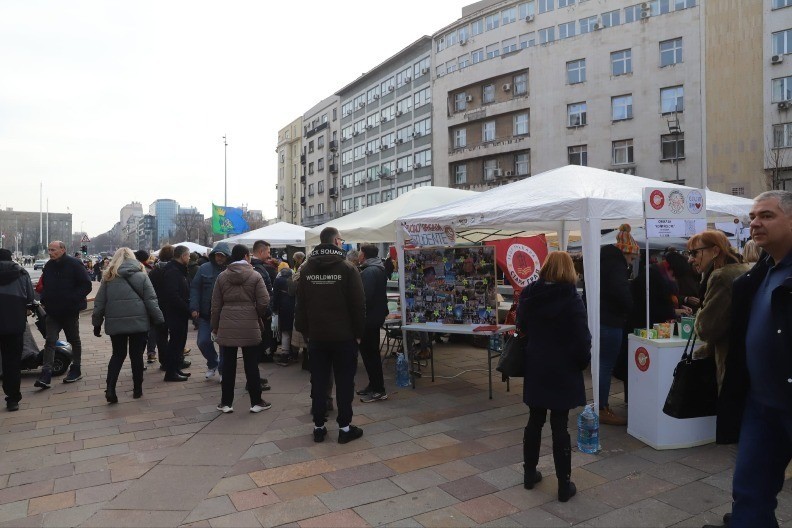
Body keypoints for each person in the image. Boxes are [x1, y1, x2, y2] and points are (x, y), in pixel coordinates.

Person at [713, 191, 792, 528]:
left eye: (767, 216)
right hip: (760, 407)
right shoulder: (756, 275)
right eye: (753, 216)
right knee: (748, 493)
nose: (755, 223)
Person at [517, 251, 591, 503]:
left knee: (534, 420)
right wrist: (581, 363)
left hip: (537, 363)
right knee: (560, 425)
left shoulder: (529, 294)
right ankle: (563, 484)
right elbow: (582, 338)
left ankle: (529, 474)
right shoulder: (571, 298)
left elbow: (522, 327)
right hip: (563, 367)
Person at [295, 226, 365, 444]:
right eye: (341, 240)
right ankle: (344, 428)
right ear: (335, 241)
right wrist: (358, 334)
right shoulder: (348, 269)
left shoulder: (306, 269)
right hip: (344, 337)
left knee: (319, 381)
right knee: (345, 382)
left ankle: (319, 426)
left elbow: (301, 305)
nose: (342, 243)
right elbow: (358, 305)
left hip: (317, 336)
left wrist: (305, 332)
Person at [92, 248, 163, 403]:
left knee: (118, 354)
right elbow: (151, 300)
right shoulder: (142, 275)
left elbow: (99, 303)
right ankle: (137, 389)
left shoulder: (108, 277)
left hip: (116, 323)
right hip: (139, 322)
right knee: (136, 356)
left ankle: (110, 388)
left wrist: (96, 324)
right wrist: (158, 320)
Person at [686, 230, 750, 391]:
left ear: (715, 251)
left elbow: (705, 329)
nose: (690, 259)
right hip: (747, 361)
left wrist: (700, 313)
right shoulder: (743, 269)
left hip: (732, 364)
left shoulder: (720, 277)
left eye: (694, 253)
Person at [211, 244, 271, 413]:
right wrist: (256, 314)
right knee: (251, 364)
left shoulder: (222, 277)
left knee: (228, 364)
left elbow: (215, 305)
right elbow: (264, 300)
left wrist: (215, 327)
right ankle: (256, 401)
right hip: (249, 323)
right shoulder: (255, 275)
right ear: (246, 256)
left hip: (227, 323)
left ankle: (226, 403)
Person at [36, 240, 92, 388]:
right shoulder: (48, 265)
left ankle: (76, 368)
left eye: (53, 249)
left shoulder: (74, 264)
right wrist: (44, 299)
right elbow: (45, 285)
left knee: (74, 339)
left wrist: (72, 299)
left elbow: (86, 285)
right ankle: (46, 373)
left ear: (63, 249)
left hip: (69, 310)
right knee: (50, 341)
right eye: (49, 250)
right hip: (53, 311)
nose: (50, 253)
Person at [598, 224, 637, 425]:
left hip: (600, 318)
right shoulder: (616, 264)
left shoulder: (602, 260)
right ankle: (602, 407)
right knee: (606, 365)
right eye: (631, 258)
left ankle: (599, 404)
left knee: (601, 364)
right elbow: (622, 293)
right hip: (611, 320)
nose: (631, 262)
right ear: (626, 252)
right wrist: (630, 307)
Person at [190, 243, 231, 380]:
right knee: (203, 342)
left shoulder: (230, 270)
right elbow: (195, 288)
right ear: (213, 255)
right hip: (206, 314)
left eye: (222, 256)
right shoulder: (204, 268)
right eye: (217, 255)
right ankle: (213, 363)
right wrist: (194, 307)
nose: (219, 258)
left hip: (224, 315)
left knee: (224, 345)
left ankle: (223, 370)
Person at [0, 249, 35, 411]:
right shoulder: (21, 273)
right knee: (12, 361)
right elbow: (29, 297)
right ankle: (12, 398)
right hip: (14, 323)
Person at [356, 244, 389, 403]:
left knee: (370, 354)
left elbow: (365, 297)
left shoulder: (370, 271)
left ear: (364, 255)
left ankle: (378, 390)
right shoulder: (377, 268)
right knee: (370, 353)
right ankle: (373, 385)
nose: (358, 255)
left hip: (369, 319)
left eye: (360, 253)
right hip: (375, 317)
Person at [160, 245, 192, 382]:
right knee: (175, 343)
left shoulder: (178, 270)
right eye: (188, 255)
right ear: (183, 256)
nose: (189, 258)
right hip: (175, 313)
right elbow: (172, 294)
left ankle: (176, 369)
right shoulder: (173, 271)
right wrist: (186, 308)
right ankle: (171, 372)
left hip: (179, 313)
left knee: (179, 343)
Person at [250, 240, 276, 361]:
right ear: (261, 251)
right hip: (261, 311)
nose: (270, 255)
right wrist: (267, 310)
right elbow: (262, 293)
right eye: (268, 252)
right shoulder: (258, 268)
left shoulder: (256, 267)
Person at [271, 266, 297, 365]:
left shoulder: (278, 281)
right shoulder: (294, 280)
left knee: (285, 332)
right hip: (294, 307)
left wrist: (274, 309)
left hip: (283, 308)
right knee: (293, 331)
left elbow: (275, 296)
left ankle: (285, 356)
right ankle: (294, 354)